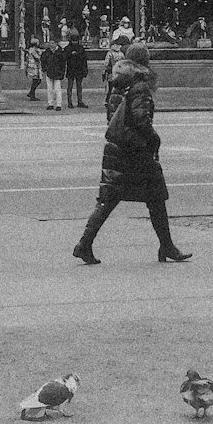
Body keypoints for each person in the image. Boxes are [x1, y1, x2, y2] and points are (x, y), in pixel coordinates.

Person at [73, 80, 191, 266]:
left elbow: (113, 117)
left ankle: (84, 244)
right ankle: (167, 246)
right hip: (137, 152)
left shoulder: (118, 85)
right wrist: (154, 141)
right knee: (155, 198)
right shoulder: (140, 87)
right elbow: (142, 120)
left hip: (119, 149)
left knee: (109, 199)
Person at [106, 43, 155, 122]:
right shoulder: (140, 83)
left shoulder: (119, 79)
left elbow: (112, 112)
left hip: (118, 131)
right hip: (133, 133)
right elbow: (141, 118)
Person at [64, 31, 89, 109]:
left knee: (79, 87)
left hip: (79, 69)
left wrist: (85, 70)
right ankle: (70, 102)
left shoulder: (80, 48)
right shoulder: (68, 48)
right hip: (71, 69)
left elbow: (84, 59)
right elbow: (64, 57)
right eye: (73, 41)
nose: (74, 42)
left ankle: (80, 101)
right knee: (70, 87)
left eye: (76, 41)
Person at [40, 37, 66, 112]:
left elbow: (63, 64)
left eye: (52, 43)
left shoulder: (60, 52)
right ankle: (50, 104)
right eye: (50, 43)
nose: (51, 45)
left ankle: (58, 104)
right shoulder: (47, 52)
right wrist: (44, 68)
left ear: (56, 43)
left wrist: (62, 73)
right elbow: (43, 60)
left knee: (57, 89)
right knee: (49, 89)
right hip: (49, 72)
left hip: (58, 73)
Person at [101, 41, 125, 110]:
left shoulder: (110, 53)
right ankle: (115, 100)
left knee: (111, 88)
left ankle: (109, 101)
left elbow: (106, 64)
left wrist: (104, 72)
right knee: (116, 88)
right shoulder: (121, 54)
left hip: (112, 73)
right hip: (117, 73)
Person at [25, 36, 43, 102]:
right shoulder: (33, 50)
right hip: (35, 67)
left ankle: (31, 93)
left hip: (31, 66)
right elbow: (37, 58)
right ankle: (31, 94)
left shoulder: (30, 49)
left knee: (35, 81)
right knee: (37, 80)